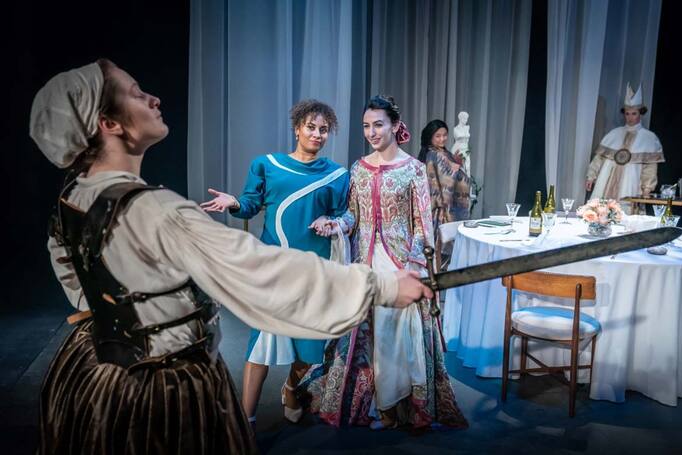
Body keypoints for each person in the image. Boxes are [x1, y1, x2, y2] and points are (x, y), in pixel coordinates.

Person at [30, 60, 432, 454]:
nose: (153, 98)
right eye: (136, 93)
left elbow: (76, 282)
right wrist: (379, 285)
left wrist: (125, 319)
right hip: (156, 389)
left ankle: (294, 391)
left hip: (91, 376)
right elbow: (257, 269)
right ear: (109, 124)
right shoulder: (155, 211)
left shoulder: (73, 198)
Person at [300, 95, 467, 431]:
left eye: (378, 124)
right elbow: (353, 216)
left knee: (400, 339)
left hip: (400, 266)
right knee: (369, 339)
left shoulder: (414, 170)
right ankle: (380, 406)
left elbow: (424, 225)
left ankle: (408, 407)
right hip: (365, 265)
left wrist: (415, 268)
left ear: (395, 126)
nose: (372, 132)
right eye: (366, 126)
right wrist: (335, 224)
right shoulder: (359, 169)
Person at [200, 100, 349, 427]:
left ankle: (292, 388)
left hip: (314, 271)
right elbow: (250, 204)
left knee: (311, 350)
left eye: (323, 130)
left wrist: (333, 222)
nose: (317, 134)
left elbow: (342, 216)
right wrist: (235, 202)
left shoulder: (338, 175)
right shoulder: (266, 165)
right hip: (276, 270)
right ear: (297, 128)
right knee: (261, 347)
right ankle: (245, 422)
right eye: (311, 127)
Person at [585, 83, 664, 211]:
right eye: (627, 114)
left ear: (640, 114)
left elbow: (650, 167)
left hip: (631, 181)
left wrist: (647, 188)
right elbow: (599, 158)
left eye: (634, 114)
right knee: (601, 211)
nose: (630, 117)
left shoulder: (649, 138)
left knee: (626, 211)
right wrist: (591, 176)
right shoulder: (614, 133)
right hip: (606, 179)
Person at [418, 119, 471, 260]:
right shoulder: (434, 155)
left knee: (445, 253)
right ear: (430, 137)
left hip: (449, 207)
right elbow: (436, 183)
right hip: (441, 210)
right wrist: (455, 169)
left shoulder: (442, 152)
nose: (443, 139)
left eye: (445, 135)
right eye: (438, 136)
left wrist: (457, 165)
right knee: (441, 251)